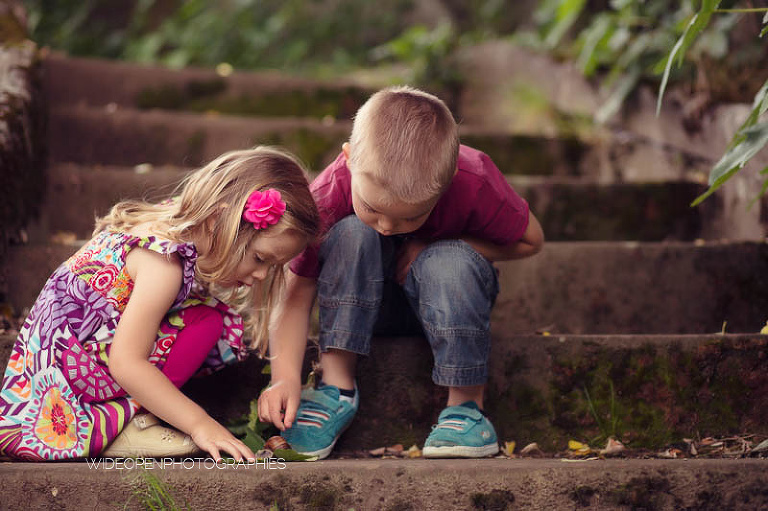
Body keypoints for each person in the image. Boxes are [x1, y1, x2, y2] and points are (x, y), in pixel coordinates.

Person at [258, 86, 545, 459]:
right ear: (348, 159)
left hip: (448, 306)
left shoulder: (474, 179)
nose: (388, 227)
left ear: (449, 179)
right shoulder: (330, 192)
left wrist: (440, 243)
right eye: (373, 207)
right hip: (362, 312)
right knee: (351, 233)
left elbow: (531, 240)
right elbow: (296, 294)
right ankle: (336, 386)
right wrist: (284, 377)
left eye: (411, 216)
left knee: (449, 261)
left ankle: (466, 407)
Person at [0, 146, 320, 461]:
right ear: (219, 219)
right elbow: (126, 363)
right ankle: (120, 425)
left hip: (54, 371)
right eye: (260, 258)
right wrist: (200, 424)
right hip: (60, 399)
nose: (263, 275)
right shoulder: (164, 265)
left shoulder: (171, 229)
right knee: (205, 323)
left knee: (205, 319)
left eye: (273, 267)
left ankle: (129, 415)